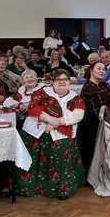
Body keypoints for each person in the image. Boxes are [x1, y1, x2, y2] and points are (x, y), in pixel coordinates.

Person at [17, 69, 86, 199]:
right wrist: (50, 120)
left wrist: (58, 122)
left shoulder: (76, 98)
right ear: (52, 82)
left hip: (62, 130)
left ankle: (60, 188)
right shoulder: (42, 92)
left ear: (69, 82)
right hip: (37, 128)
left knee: (60, 146)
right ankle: (32, 186)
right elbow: (34, 107)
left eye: (64, 79)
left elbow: (78, 115)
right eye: (58, 80)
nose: (61, 82)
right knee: (32, 142)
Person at [78, 61, 110, 174]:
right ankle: (91, 175)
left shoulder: (105, 85)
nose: (102, 71)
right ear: (91, 71)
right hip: (92, 126)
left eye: (103, 69)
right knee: (91, 152)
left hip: (105, 121)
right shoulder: (88, 87)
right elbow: (93, 112)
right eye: (99, 68)